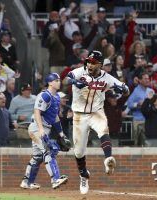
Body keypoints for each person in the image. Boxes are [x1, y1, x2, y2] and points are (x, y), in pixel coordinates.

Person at [66, 50, 129, 194]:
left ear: (100, 65)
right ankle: (84, 174)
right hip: (79, 115)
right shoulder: (80, 72)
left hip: (96, 112)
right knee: (79, 151)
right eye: (89, 61)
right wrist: (74, 81)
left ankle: (108, 159)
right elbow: (66, 79)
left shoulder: (107, 78)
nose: (90, 64)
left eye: (93, 62)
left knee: (103, 129)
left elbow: (126, 90)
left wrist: (124, 89)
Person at [20, 73, 68, 190]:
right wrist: (41, 129)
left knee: (38, 156)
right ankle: (55, 179)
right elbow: (37, 111)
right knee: (49, 150)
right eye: (56, 80)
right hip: (37, 127)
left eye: (59, 80)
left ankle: (27, 182)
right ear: (50, 82)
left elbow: (55, 117)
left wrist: (61, 133)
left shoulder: (56, 97)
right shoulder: (44, 95)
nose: (58, 82)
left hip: (46, 127)